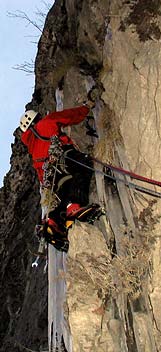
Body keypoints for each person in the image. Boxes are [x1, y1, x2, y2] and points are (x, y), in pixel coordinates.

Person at [20, 97, 99, 251]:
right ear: (37, 118)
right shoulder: (46, 122)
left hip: (51, 176)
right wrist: (86, 108)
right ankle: (74, 207)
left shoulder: (32, 147)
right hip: (64, 157)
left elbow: (40, 173)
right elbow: (69, 115)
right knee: (83, 166)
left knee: (63, 191)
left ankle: (53, 222)